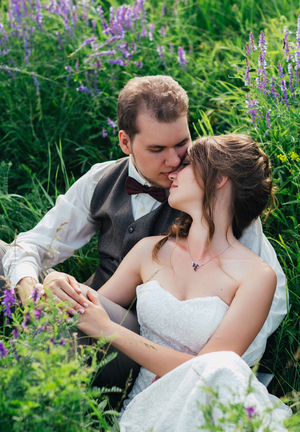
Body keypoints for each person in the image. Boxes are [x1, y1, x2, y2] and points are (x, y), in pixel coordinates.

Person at [1, 76, 287, 395]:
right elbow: (32, 245)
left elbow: (266, 300)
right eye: (156, 149)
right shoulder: (101, 181)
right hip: (102, 310)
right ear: (126, 142)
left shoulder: (220, 203)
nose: (174, 162)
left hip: (148, 346)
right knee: (10, 262)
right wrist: (35, 282)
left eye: (181, 144)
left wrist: (218, 372)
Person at [74, 134, 292, 432]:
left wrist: (109, 331)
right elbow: (93, 306)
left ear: (218, 179)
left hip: (212, 398)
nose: (173, 172)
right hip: (148, 400)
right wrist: (58, 284)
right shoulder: (149, 251)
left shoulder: (257, 276)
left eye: (187, 164)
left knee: (220, 370)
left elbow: (206, 371)